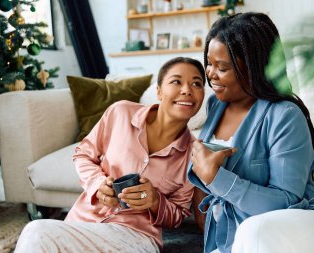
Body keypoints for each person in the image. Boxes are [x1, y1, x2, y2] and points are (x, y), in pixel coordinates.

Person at [188, 12, 314, 253]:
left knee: (254, 232)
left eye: (223, 67)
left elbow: (286, 202)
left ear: (254, 67)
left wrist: (217, 179)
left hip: (302, 227)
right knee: (248, 235)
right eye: (209, 63)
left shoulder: (284, 115)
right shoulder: (215, 106)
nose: (210, 74)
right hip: (241, 239)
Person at [15, 57, 205, 253]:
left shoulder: (194, 153)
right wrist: (98, 185)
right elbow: (83, 154)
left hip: (135, 238)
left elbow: (178, 215)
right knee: (36, 232)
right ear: (158, 91)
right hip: (83, 224)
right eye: (176, 81)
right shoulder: (120, 112)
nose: (186, 90)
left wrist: (156, 201)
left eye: (196, 83)